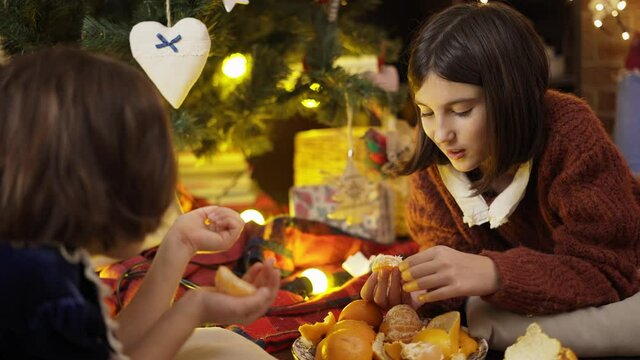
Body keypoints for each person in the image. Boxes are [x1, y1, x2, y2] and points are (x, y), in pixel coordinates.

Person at [361, 2, 640, 356]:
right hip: (534, 297)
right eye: (427, 112)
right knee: (478, 318)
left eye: (461, 111)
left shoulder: (571, 135)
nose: (441, 133)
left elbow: (609, 271)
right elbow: (454, 290)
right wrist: (423, 295)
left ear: (511, 97)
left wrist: (493, 271)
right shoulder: (433, 169)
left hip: (626, 265)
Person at [0, 47, 280, 360]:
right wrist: (193, 309)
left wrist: (181, 242)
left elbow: (115, 346)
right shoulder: (39, 289)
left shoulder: (39, 257)